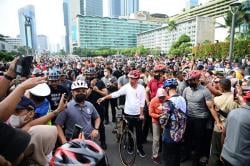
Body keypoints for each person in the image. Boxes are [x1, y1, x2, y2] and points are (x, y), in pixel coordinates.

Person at [97, 70, 146, 157]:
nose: (131, 80)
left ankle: (139, 148)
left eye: (134, 79)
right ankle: (130, 146)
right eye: (130, 78)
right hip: (128, 113)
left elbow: (142, 102)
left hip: (138, 114)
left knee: (139, 133)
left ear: (137, 79)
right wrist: (104, 98)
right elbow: (117, 94)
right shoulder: (126, 87)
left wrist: (141, 114)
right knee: (129, 131)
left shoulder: (141, 88)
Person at [7, 95, 66, 165]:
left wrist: (57, 110)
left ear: (31, 113)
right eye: (12, 110)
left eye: (17, 111)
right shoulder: (8, 128)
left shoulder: (40, 134)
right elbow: (28, 126)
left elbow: (28, 126)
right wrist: (57, 110)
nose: (12, 114)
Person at [182, 70, 223, 166]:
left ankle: (196, 160)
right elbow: (184, 104)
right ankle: (186, 155)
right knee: (187, 138)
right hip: (189, 118)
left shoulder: (205, 91)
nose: (190, 82)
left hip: (201, 119)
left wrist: (218, 121)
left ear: (197, 80)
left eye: (192, 80)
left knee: (198, 140)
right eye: (189, 80)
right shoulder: (186, 90)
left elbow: (211, 108)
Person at [55, 80, 101, 144]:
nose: (81, 93)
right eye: (78, 91)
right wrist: (63, 141)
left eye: (83, 91)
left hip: (89, 139)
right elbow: (58, 124)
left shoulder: (89, 105)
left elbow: (97, 117)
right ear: (72, 92)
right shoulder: (66, 107)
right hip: (72, 141)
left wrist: (96, 129)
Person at [208, 79, 239, 166]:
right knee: (228, 151)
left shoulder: (216, 99)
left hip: (219, 128)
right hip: (232, 128)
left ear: (221, 87)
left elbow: (213, 111)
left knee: (215, 152)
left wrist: (218, 121)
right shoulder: (235, 99)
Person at [161, 78, 187, 166]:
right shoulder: (182, 99)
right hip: (180, 133)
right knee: (176, 158)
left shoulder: (168, 103)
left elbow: (163, 121)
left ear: (167, 89)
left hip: (169, 135)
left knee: (168, 159)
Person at [221, 91, 250, 166]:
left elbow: (223, 133)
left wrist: (223, 151)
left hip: (226, 156)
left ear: (246, 100)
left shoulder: (233, 112)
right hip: (242, 161)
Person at [149, 88, 167, 164]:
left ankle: (165, 153)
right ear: (157, 96)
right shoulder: (153, 101)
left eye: (163, 97)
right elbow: (150, 113)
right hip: (156, 121)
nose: (162, 99)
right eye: (160, 97)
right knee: (156, 138)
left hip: (165, 120)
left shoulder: (168, 98)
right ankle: (155, 155)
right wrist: (158, 115)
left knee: (165, 137)